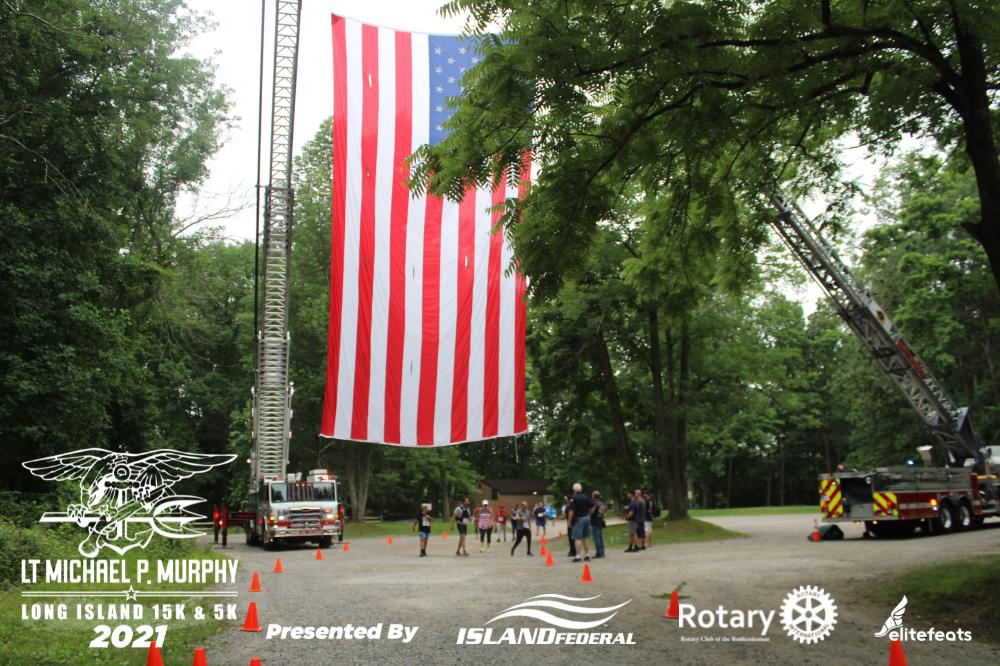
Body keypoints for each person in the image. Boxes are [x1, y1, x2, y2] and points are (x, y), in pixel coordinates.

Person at [568, 483, 593, 562]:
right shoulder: (585, 497)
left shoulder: (574, 498)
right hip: (586, 518)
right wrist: (589, 515)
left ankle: (578, 556)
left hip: (578, 519)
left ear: (574, 490)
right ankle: (587, 555)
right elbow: (592, 506)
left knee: (577, 538)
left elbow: (572, 510)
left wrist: (569, 521)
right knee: (585, 537)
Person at [590, 490, 606, 558]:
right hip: (600, 520)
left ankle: (599, 553)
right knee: (600, 537)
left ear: (594, 496)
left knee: (596, 538)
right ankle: (602, 552)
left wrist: (589, 515)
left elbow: (592, 511)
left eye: (592, 495)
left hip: (595, 521)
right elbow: (603, 511)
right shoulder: (601, 503)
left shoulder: (594, 503)